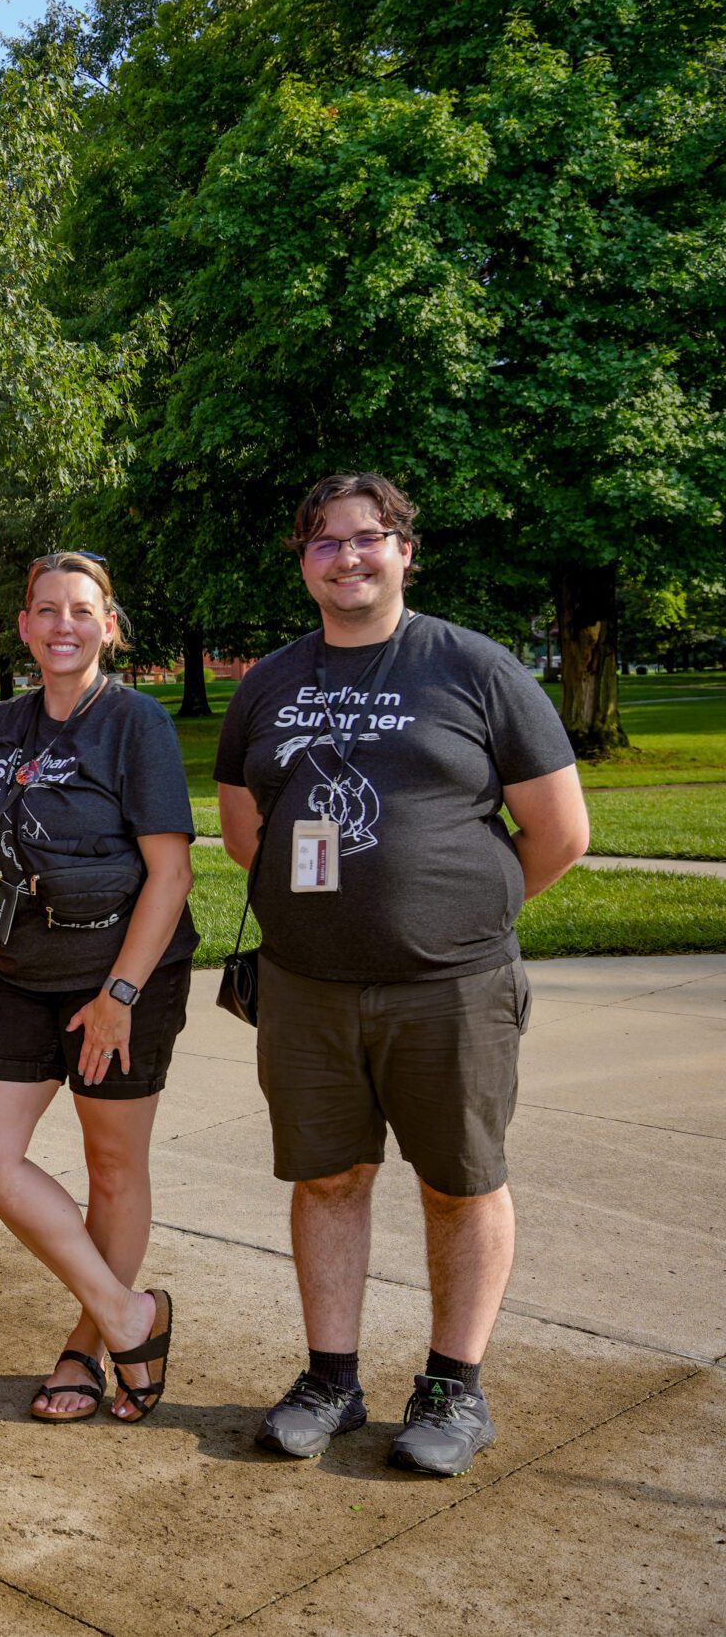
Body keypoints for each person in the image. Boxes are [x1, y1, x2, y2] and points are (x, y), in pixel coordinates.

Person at [217, 473, 586, 1476]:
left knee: (460, 1186)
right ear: (303, 563)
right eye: (324, 542)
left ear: (403, 550)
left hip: (452, 988)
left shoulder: (472, 666)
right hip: (305, 986)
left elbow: (558, 832)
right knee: (327, 1179)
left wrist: (460, 910)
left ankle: (452, 1391)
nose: (347, 557)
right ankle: (328, 1379)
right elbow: (243, 827)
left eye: (366, 537)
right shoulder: (269, 681)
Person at [0, 551, 192, 1424]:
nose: (63, 624)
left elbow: (170, 875)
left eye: (82, 610)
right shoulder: (0, 728)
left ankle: (86, 1345)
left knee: (112, 1166)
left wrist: (121, 996)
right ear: (24, 626)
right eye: (46, 609)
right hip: (23, 971)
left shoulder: (135, 723)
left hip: (121, 976)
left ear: (108, 626)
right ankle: (130, 1312)